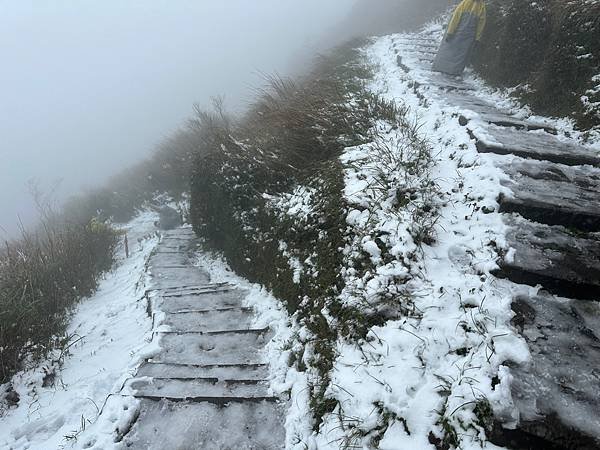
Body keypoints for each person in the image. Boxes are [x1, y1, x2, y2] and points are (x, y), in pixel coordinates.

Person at [432, 0, 487, 76]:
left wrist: (450, 32)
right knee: (461, 54)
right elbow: (481, 25)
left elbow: (455, 18)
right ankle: (454, 71)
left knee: (449, 49)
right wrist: (477, 38)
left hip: (458, 31)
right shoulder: (481, 7)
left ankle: (440, 67)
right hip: (469, 35)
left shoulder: (465, 3)